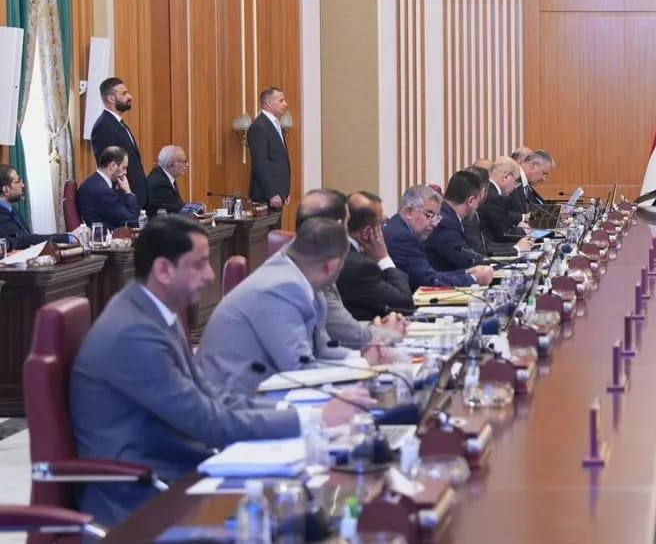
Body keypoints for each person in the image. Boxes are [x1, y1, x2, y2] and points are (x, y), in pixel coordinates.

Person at [69, 216, 365, 526]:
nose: (210, 275)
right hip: (145, 492)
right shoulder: (133, 334)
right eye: (199, 264)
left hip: (178, 468)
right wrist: (315, 419)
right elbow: (209, 421)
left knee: (310, 499)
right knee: (299, 512)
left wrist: (303, 414)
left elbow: (214, 396)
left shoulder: (152, 311)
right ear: (164, 270)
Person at [198, 217, 380, 396]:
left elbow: (321, 349)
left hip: (258, 391)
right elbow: (299, 370)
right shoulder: (281, 288)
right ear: (331, 267)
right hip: (229, 400)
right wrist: (364, 367)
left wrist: (361, 358)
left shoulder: (298, 275)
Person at [294, 189, 405, 349]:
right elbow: (344, 333)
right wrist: (388, 333)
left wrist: (375, 327)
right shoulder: (309, 272)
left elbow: (326, 338)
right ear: (338, 227)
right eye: (347, 224)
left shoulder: (306, 261)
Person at [384, 184, 495, 288]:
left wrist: (466, 272)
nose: (435, 223)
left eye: (436, 217)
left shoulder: (400, 229)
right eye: (429, 215)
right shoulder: (402, 237)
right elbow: (428, 280)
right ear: (409, 212)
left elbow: (431, 274)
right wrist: (473, 279)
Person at [338, 191, 415, 321]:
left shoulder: (338, 252)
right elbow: (404, 305)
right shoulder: (359, 267)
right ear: (368, 232)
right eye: (382, 224)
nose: (385, 229)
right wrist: (384, 258)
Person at [89, 77, 149, 212]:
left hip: (135, 196)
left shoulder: (118, 124)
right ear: (111, 99)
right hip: (122, 199)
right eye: (124, 93)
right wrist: (126, 196)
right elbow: (110, 167)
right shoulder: (104, 126)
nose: (130, 97)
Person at [428, 170, 494, 270]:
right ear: (471, 201)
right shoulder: (445, 223)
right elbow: (465, 260)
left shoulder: (446, 214)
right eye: (478, 201)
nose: (477, 206)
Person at [0, 164, 74, 249]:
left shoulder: (11, 209)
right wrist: (67, 238)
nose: (22, 185)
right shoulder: (2, 215)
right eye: (18, 181)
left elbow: (27, 238)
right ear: (5, 189)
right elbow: (24, 240)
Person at [247, 86, 292, 209]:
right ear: (269, 103)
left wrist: (285, 190)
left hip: (278, 195)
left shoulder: (276, 124)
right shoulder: (259, 127)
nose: (286, 104)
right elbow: (260, 163)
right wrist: (271, 193)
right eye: (281, 100)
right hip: (266, 197)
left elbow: (279, 160)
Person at [77, 146, 141, 230]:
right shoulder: (101, 190)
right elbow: (131, 220)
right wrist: (128, 191)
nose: (125, 172)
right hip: (105, 235)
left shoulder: (95, 182)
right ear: (112, 166)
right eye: (124, 168)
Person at [146, 145, 190, 216]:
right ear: (171, 164)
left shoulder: (161, 175)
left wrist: (195, 207)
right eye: (183, 162)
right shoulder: (160, 183)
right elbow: (175, 209)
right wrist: (195, 209)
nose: (186, 165)